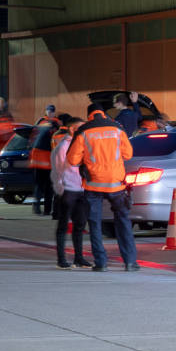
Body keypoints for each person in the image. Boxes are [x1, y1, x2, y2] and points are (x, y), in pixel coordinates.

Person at [67, 105, 137, 272]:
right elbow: (128, 154)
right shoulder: (117, 129)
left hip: (93, 185)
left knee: (95, 223)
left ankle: (101, 263)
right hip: (116, 183)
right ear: (103, 114)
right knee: (123, 220)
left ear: (89, 115)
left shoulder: (84, 131)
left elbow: (72, 160)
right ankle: (130, 262)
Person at [50, 117, 92, 269]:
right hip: (68, 190)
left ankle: (79, 258)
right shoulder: (62, 147)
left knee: (79, 225)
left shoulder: (82, 145)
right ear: (73, 129)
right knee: (63, 225)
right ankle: (61, 260)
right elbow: (57, 170)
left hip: (81, 189)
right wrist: (60, 189)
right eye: (81, 128)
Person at [29, 118, 56, 217]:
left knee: (39, 186)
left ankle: (36, 207)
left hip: (36, 163)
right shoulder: (52, 132)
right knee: (49, 187)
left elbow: (31, 143)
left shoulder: (40, 129)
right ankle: (47, 210)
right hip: (47, 164)